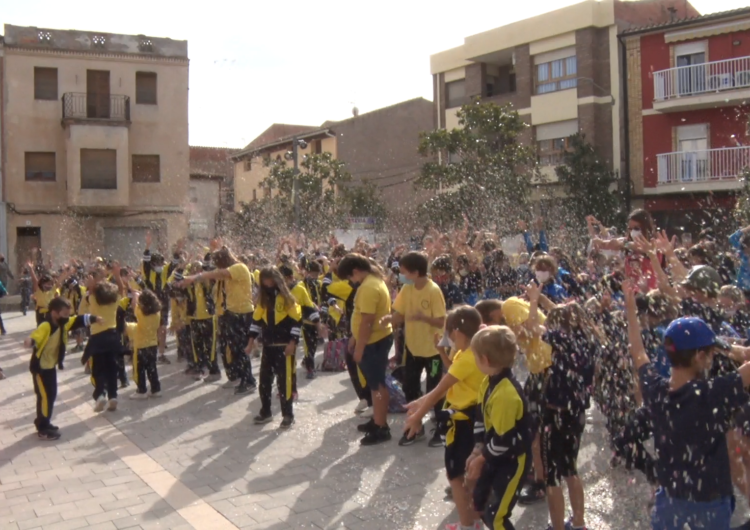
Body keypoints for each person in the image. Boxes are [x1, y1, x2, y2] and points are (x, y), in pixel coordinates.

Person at [624, 281, 750, 530]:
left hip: (668, 502)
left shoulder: (655, 390)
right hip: (709, 506)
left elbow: (638, 352)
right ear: (699, 357)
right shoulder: (713, 392)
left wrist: (630, 309)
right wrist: (733, 351)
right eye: (711, 353)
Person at [404, 306, 485, 530]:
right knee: (470, 474)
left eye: (449, 334)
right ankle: (475, 520)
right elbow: (453, 373)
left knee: (455, 475)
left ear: (456, 333)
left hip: (464, 422)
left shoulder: (467, 357)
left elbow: (441, 388)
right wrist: (441, 353)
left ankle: (467, 525)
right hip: (474, 419)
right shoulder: (470, 352)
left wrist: (417, 416)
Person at [527, 284, 593, 530]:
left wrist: (534, 301)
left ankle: (556, 527)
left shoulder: (560, 339)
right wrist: (544, 299)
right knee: (571, 469)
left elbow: (534, 327)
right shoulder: (588, 340)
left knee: (553, 475)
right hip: (577, 413)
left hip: (554, 413)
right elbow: (564, 316)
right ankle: (579, 523)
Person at [465, 325, 532, 530]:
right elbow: (480, 416)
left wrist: (480, 460)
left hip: (513, 460)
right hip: (496, 454)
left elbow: (503, 440)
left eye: (475, 356)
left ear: (485, 360)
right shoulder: (488, 382)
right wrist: (478, 447)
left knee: (496, 516)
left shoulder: (506, 395)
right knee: (483, 505)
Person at [181, 243, 257, 395]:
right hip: (230, 313)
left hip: (242, 314)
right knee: (231, 349)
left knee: (241, 349)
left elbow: (216, 274)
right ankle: (239, 377)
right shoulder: (228, 270)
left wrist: (195, 277)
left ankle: (248, 380)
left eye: (219, 264)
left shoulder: (239, 268)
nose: (218, 267)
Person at [388, 251, 447, 447]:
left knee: (435, 390)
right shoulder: (407, 288)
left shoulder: (433, 290)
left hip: (434, 351)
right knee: (410, 387)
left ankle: (441, 428)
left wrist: (423, 318)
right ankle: (415, 427)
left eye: (404, 271)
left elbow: (441, 320)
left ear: (415, 272)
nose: (401, 275)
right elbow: (400, 312)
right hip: (413, 348)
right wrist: (388, 320)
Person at [337, 253, 394, 446]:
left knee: (377, 386)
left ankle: (381, 427)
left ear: (355, 271)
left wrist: (359, 347)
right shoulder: (373, 281)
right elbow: (362, 318)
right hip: (374, 339)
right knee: (375, 384)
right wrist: (355, 338)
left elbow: (368, 321)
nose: (351, 282)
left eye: (350, 277)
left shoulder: (368, 287)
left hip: (373, 342)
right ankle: (377, 421)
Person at [26, 296, 100, 440]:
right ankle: (43, 428)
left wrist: (95, 318)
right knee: (46, 397)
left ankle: (43, 422)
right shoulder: (46, 325)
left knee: (50, 395)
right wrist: (30, 341)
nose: (67, 317)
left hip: (50, 366)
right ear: (54, 312)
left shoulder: (63, 323)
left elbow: (78, 320)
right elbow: (35, 337)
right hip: (40, 368)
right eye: (65, 314)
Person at [245, 268, 302, 429]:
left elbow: (297, 321)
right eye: (264, 280)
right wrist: (250, 343)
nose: (267, 283)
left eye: (269, 279)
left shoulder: (287, 298)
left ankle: (288, 415)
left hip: (284, 347)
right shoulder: (263, 299)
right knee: (264, 381)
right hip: (268, 347)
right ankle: (266, 412)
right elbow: (256, 321)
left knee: (285, 383)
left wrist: (292, 342)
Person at [80, 268, 126, 412]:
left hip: (97, 338)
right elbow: (122, 289)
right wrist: (117, 275)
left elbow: (93, 291)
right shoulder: (114, 301)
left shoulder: (93, 300)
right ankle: (113, 396)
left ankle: (101, 394)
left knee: (98, 369)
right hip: (113, 337)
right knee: (112, 368)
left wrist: (91, 282)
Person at [127, 290, 163, 399]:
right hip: (152, 344)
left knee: (139, 369)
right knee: (152, 368)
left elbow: (134, 306)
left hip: (141, 345)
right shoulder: (157, 313)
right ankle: (155, 389)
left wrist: (135, 296)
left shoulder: (140, 313)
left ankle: (141, 390)